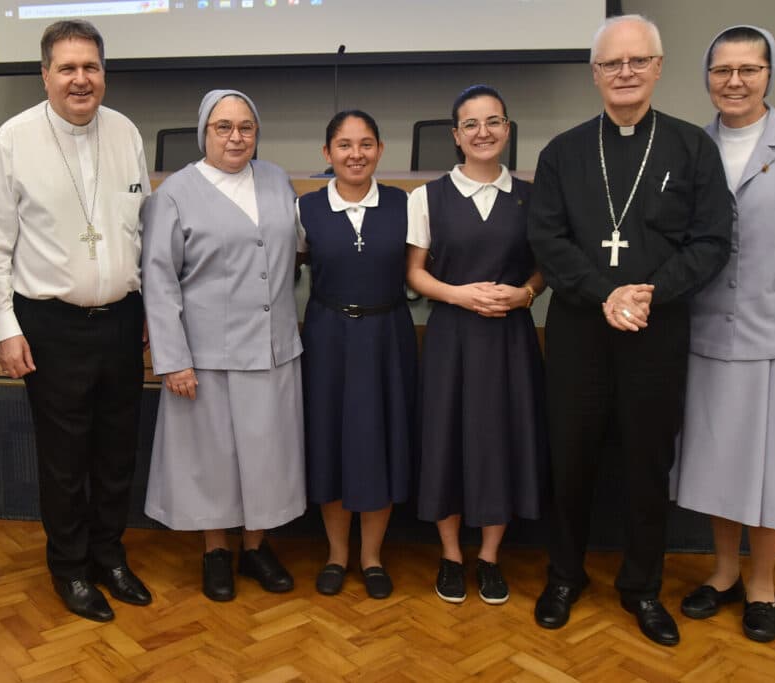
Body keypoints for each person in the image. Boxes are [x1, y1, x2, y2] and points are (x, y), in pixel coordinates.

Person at [527, 15, 733, 646]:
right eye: (612, 63)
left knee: (648, 463)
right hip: (579, 333)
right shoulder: (562, 153)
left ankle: (642, 587)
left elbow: (711, 241)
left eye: (638, 61)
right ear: (594, 73)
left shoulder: (692, 149)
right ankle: (565, 576)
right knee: (570, 460)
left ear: (658, 68)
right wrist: (606, 293)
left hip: (656, 331)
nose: (625, 72)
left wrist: (648, 294)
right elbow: (547, 239)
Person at [0, 20, 151, 622]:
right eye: (68, 68)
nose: (81, 79)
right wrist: (5, 328)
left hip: (122, 321)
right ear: (45, 75)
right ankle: (71, 568)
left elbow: (140, 231)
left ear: (104, 73)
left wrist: (147, 308)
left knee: (117, 451)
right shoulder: (13, 140)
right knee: (64, 458)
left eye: (91, 67)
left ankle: (109, 555)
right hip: (49, 324)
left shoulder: (126, 132)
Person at [673, 25, 775, 644]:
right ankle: (725, 572)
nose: (734, 82)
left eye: (748, 70)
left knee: (771, 468)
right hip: (705, 332)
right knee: (719, 461)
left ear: (769, 74)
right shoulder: (690, 147)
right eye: (722, 70)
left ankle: (762, 583)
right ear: (707, 77)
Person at [142, 89, 305, 602]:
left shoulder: (276, 180)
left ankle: (255, 548)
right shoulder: (174, 193)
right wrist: (173, 360)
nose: (236, 137)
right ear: (203, 133)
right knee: (211, 460)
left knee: (267, 456)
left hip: (272, 348)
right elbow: (159, 280)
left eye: (245, 127)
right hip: (205, 354)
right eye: (223, 127)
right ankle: (215, 550)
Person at [407, 85, 547, 606]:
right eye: (471, 124)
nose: (482, 132)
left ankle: (489, 557)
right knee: (445, 439)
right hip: (452, 337)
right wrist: (459, 295)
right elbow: (415, 273)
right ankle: (450, 555)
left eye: (493, 122)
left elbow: (544, 269)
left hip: (509, 339)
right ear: (456, 135)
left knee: (501, 440)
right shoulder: (428, 197)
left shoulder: (532, 197)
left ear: (507, 130)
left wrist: (525, 293)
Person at [298, 110, 416, 599]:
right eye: (344, 145)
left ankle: (371, 557)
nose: (355, 154)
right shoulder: (304, 209)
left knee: (379, 440)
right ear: (327, 153)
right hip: (328, 337)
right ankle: (335, 554)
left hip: (387, 336)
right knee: (330, 440)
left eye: (366, 144)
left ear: (380, 150)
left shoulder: (405, 204)